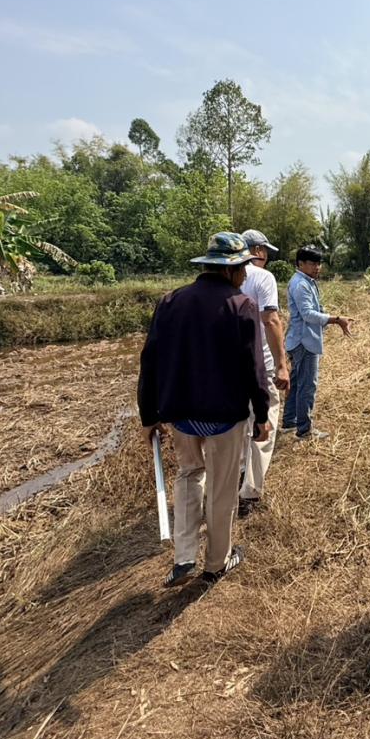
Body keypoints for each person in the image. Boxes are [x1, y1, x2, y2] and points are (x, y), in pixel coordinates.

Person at [138, 232, 271, 587]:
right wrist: (262, 415)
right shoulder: (242, 306)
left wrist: (148, 416)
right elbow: (254, 368)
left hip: (180, 414)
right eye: (243, 267)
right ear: (229, 270)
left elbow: (149, 361)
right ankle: (216, 562)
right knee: (224, 487)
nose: (246, 274)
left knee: (188, 474)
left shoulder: (170, 302)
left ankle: (184, 556)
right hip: (224, 415)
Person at [237, 229, 290, 518]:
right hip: (261, 364)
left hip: (229, 367)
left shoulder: (224, 276)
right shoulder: (262, 277)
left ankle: (235, 477)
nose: (266, 257)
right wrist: (282, 364)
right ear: (257, 250)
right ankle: (250, 492)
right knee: (263, 425)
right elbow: (271, 320)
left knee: (238, 425)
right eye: (265, 251)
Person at [282, 244, 351, 440]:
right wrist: (336, 319)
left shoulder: (306, 281)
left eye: (319, 263)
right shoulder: (300, 284)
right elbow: (307, 314)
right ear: (300, 263)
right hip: (304, 342)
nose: (317, 267)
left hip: (301, 339)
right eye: (313, 263)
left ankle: (290, 422)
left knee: (297, 383)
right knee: (307, 385)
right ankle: (305, 430)